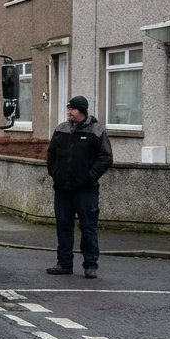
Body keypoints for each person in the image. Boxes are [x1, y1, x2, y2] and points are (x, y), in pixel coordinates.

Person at [45, 95, 113, 278]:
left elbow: (106, 157)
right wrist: (55, 173)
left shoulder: (96, 131)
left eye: (72, 109)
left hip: (86, 190)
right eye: (68, 108)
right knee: (63, 226)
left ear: (82, 111)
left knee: (88, 227)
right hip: (63, 189)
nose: (69, 112)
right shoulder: (61, 129)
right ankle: (64, 263)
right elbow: (51, 154)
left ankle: (90, 265)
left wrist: (89, 177)